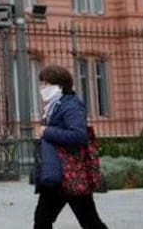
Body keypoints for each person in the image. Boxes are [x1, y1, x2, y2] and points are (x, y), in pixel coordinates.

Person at [34, 64, 108, 229]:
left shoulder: (71, 105)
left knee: (90, 221)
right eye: (42, 84)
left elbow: (78, 135)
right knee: (42, 220)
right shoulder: (55, 106)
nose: (42, 88)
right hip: (58, 173)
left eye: (45, 84)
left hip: (71, 173)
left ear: (59, 85)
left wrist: (48, 132)